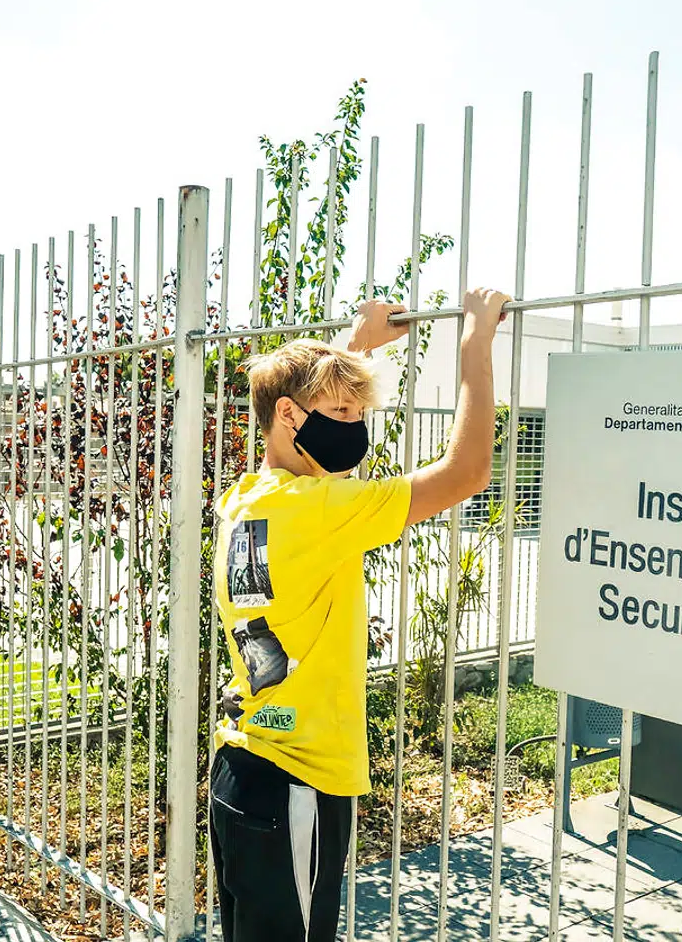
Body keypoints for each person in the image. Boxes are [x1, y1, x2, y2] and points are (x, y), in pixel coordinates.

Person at [208, 286, 511, 942]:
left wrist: (355, 344)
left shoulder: (247, 496)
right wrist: (475, 343)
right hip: (295, 785)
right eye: (339, 412)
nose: (352, 428)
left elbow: (303, 425)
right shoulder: (318, 511)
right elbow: (466, 472)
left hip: (242, 767)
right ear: (288, 415)